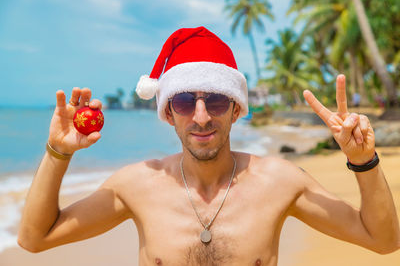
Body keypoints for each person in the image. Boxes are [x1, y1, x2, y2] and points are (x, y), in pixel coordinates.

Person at [18, 26, 400, 265]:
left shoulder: (279, 182)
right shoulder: (137, 185)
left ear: (236, 110)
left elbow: (383, 241)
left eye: (216, 100)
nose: (201, 116)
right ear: (168, 113)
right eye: (184, 101)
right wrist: (59, 152)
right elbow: (35, 239)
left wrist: (364, 162)